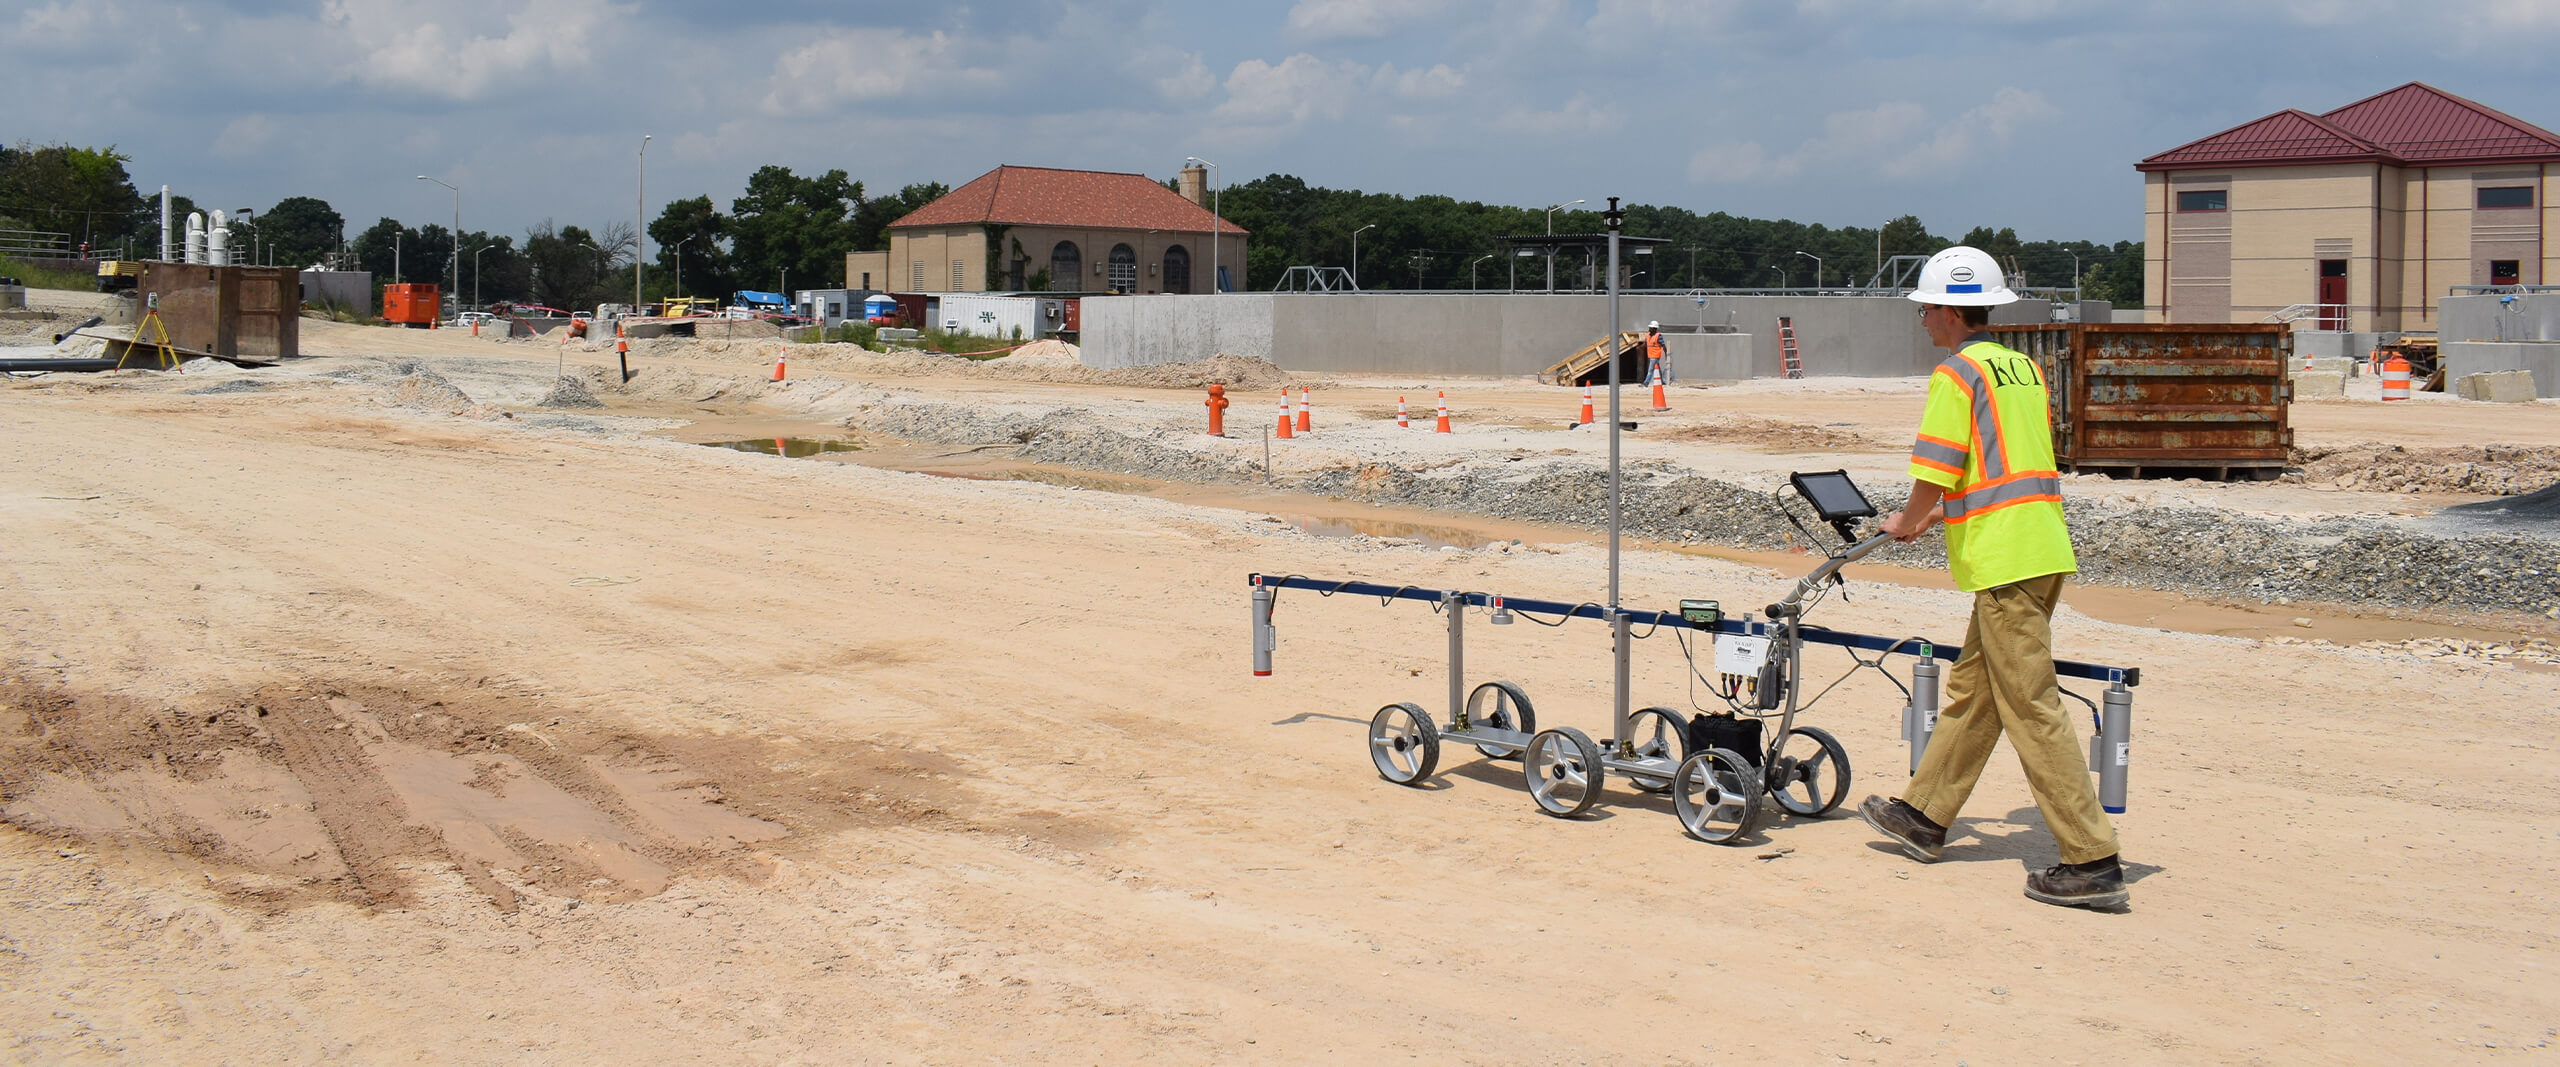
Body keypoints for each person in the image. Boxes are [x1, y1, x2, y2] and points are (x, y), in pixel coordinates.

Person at [1858, 245, 2125, 910]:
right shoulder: (2021, 368)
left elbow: (1940, 464)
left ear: (1950, 310)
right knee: (1977, 690)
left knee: (2031, 705)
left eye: (1926, 308)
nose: (1922, 319)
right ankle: (1923, 813)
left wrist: (1911, 521)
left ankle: (2091, 856)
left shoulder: (1957, 375)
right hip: (2041, 547)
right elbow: (2004, 460)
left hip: (2006, 559)